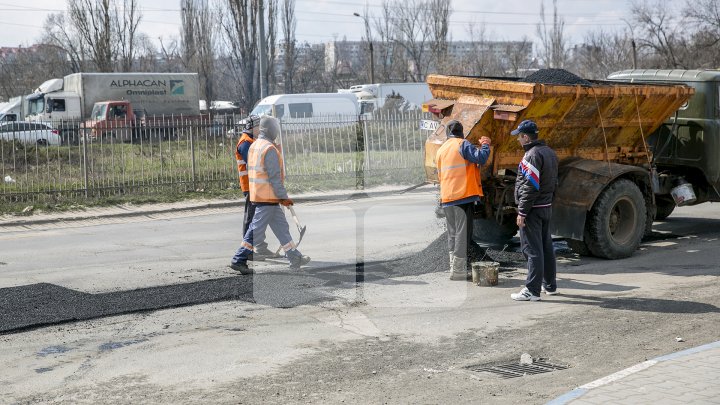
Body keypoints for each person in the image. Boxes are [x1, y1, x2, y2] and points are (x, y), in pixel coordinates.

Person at [229, 116, 310, 274]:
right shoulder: (269, 148)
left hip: (261, 196)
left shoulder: (255, 146)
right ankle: (239, 259)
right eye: (275, 128)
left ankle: (294, 257)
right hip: (268, 196)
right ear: (271, 130)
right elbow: (274, 177)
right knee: (256, 229)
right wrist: (284, 197)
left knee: (282, 228)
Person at [509, 119, 559, 301]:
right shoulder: (549, 153)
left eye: (519, 137)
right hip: (545, 207)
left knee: (532, 250)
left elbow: (530, 186)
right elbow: (555, 182)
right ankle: (550, 286)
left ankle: (532, 290)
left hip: (533, 210)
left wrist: (522, 212)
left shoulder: (532, 155)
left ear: (526, 137)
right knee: (546, 247)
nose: (518, 140)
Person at [435, 120, 491, 281]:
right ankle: (458, 270)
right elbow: (481, 158)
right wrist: (485, 144)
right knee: (462, 234)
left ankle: (453, 266)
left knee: (453, 233)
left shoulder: (442, 149)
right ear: (461, 133)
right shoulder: (462, 144)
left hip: (447, 198)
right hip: (462, 196)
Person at [235, 114, 275, 260]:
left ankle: (260, 247)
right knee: (252, 219)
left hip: (258, 185)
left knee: (261, 218)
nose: (262, 129)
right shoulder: (245, 143)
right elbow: (255, 162)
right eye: (260, 127)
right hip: (251, 186)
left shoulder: (253, 141)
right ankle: (248, 251)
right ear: (253, 127)